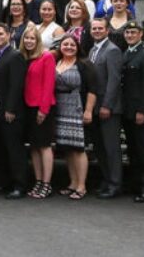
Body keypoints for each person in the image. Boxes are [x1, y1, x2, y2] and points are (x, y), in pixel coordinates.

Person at [52, 34, 97, 200]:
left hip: (77, 106)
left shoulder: (85, 64)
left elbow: (93, 89)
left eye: (72, 45)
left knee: (78, 148)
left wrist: (88, 110)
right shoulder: (57, 62)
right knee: (67, 148)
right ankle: (72, 182)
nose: (68, 47)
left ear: (77, 47)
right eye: (65, 44)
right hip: (60, 107)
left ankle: (81, 185)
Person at [84, 17, 124, 199]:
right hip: (95, 107)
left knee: (111, 148)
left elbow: (114, 81)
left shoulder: (112, 51)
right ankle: (107, 180)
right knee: (99, 147)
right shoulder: (93, 49)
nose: (97, 31)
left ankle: (115, 184)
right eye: (94, 28)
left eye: (101, 28)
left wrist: (107, 105)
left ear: (107, 30)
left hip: (109, 108)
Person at [119, 20, 144, 202]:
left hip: (140, 111)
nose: (130, 35)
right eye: (127, 33)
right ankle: (135, 183)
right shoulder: (127, 53)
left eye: (133, 32)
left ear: (141, 34)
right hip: (128, 110)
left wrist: (142, 111)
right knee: (133, 150)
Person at [0, 23, 28, 199]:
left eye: (0, 34)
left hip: (10, 111)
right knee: (0, 148)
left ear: (9, 35)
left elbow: (16, 84)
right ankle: (5, 182)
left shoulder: (15, 56)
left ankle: (20, 185)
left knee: (14, 150)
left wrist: (11, 108)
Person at [19, 26, 56, 199]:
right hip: (28, 107)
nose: (29, 41)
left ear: (38, 40)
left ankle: (47, 184)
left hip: (42, 107)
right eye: (26, 38)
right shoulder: (25, 57)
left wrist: (44, 109)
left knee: (44, 146)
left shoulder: (46, 57)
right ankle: (38, 181)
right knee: (34, 147)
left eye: (32, 38)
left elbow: (49, 85)